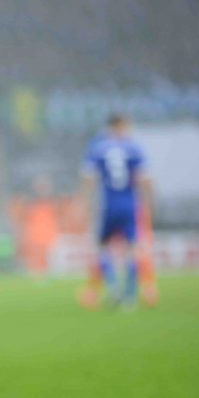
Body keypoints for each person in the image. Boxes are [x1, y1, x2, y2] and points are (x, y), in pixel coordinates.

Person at [78, 114, 153, 309]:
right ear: (122, 126)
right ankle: (130, 295)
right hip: (129, 203)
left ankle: (113, 288)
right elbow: (145, 179)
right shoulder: (134, 147)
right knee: (132, 248)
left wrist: (84, 203)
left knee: (102, 247)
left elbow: (89, 178)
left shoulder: (98, 147)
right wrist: (151, 201)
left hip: (107, 204)